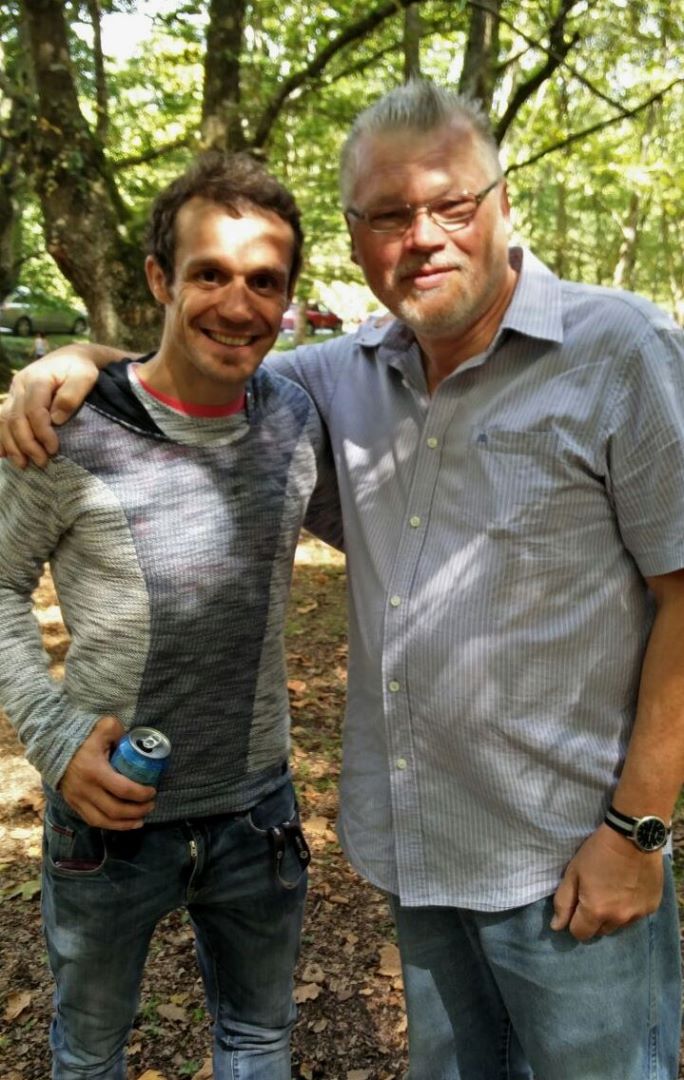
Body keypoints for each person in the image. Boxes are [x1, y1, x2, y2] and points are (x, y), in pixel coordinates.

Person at [2, 80, 683, 1080]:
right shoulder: (331, 381)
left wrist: (638, 831)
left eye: (452, 204)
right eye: (388, 215)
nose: (424, 237)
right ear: (358, 241)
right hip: (419, 853)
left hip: (574, 859)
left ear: (504, 204)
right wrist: (76, 362)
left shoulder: (622, 352)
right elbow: (196, 366)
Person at [0, 151, 341, 1080]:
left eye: (263, 281)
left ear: (288, 297)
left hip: (257, 813)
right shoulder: (65, 428)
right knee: (90, 1052)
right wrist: (54, 737)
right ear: (160, 279)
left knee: (259, 1038)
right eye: (209, 274)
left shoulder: (294, 418)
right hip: (105, 819)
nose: (238, 303)